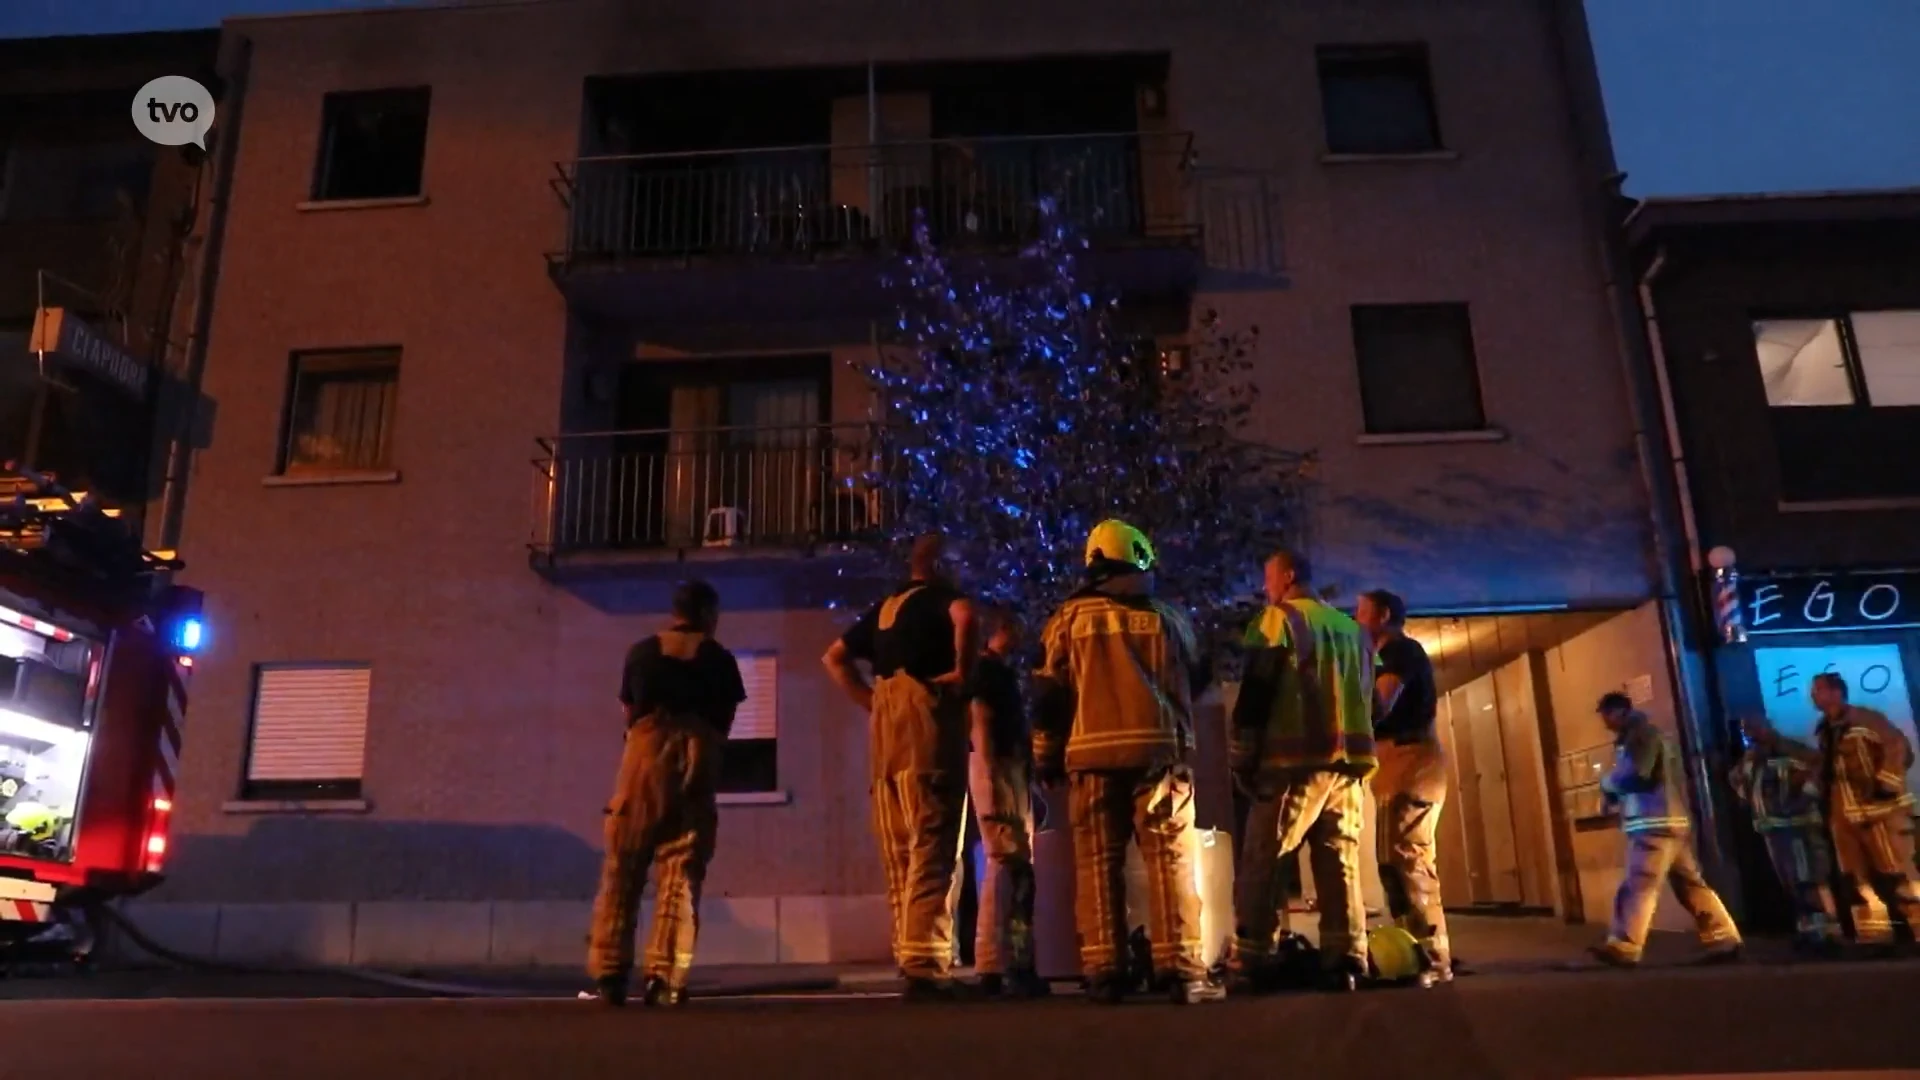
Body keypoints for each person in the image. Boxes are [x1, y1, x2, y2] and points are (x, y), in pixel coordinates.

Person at [1032, 519, 1221, 1005]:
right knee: (1171, 860)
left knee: (1098, 863)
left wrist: (1044, 753)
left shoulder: (1068, 619)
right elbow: (1200, 679)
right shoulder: (1170, 617)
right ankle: (1180, 968)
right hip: (1161, 755)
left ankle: (1105, 968)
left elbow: (1051, 694)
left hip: (1092, 756)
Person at [822, 533, 978, 1000]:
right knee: (933, 844)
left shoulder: (886, 608)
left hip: (886, 737)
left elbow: (833, 658)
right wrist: (964, 676)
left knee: (900, 853)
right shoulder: (943, 600)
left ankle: (910, 956)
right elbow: (967, 616)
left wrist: (871, 703)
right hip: (925, 725)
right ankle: (927, 965)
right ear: (940, 565)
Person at [586, 579, 745, 1007]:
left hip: (642, 756)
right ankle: (665, 978)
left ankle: (610, 974)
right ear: (709, 615)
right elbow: (726, 720)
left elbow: (628, 710)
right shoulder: (719, 659)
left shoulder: (640, 652)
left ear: (675, 611)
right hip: (696, 759)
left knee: (623, 867)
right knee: (680, 872)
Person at [1227, 550, 1376, 993]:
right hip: (1347, 766)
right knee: (1339, 863)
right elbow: (1373, 700)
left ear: (1288, 577)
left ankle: (1252, 959)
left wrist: (1241, 756)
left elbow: (1256, 693)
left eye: (1269, 578)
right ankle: (1346, 958)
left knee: (1263, 859)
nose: (1265, 588)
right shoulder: (1355, 631)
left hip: (1292, 764)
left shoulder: (1276, 622)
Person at [1760, 673, 1920, 953]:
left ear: (1836, 692)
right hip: (1845, 817)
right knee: (1855, 878)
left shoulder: (1866, 720)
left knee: (1897, 874)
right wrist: (1777, 744)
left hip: (1879, 813)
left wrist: (1886, 782)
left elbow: (1898, 748)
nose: (1813, 696)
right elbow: (1824, 766)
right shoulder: (1826, 730)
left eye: (1818, 690)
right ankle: (1875, 936)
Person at [1589, 692, 1742, 968]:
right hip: (1672, 821)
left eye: (1605, 714)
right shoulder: (1642, 734)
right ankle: (1724, 938)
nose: (1604, 721)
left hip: (1653, 823)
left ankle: (1624, 946)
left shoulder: (1640, 735)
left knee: (1639, 884)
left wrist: (1606, 785)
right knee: (1690, 885)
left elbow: (1638, 773)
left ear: (1619, 712)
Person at [1354, 588, 1451, 986]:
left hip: (1409, 763)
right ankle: (1422, 953)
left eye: (1362, 612)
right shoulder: (1390, 655)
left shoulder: (1399, 652)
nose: (1356, 620)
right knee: (1398, 861)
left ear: (1384, 615)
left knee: (1406, 860)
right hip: (1403, 763)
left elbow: (1381, 704)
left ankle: (1428, 957)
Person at [961, 607, 1048, 997]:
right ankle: (1005, 963)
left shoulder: (993, 671)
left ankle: (998, 963)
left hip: (1003, 770)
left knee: (1007, 865)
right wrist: (995, 774)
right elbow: (981, 719)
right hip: (998, 770)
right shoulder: (988, 672)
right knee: (1010, 865)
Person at [1728, 715, 1840, 954]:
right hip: (1773, 828)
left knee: (1808, 877)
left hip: (1798, 825)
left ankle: (1827, 932)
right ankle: (1808, 930)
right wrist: (1749, 798)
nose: (1749, 735)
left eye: (1753, 728)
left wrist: (1803, 798)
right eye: (1745, 731)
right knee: (1791, 882)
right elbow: (1738, 779)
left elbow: (1817, 771)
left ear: (1767, 728)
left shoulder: (1790, 750)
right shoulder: (1752, 757)